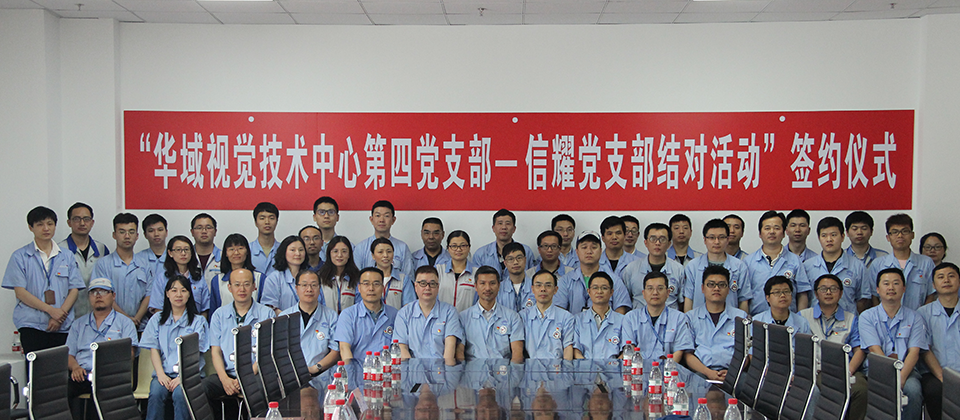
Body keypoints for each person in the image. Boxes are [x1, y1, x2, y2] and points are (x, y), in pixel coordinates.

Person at [3, 206, 84, 352]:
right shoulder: (20, 256)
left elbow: (74, 289)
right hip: (31, 324)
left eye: (50, 224)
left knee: (60, 365)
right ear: (31, 227)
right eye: (40, 224)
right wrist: (50, 311)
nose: (46, 228)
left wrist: (59, 316)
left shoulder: (67, 256)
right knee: (36, 365)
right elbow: (20, 292)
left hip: (62, 325)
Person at [203, 269, 275, 417]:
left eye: (246, 284)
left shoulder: (267, 314)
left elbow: (266, 352)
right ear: (229, 288)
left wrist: (244, 378)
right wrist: (224, 379)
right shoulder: (219, 315)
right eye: (237, 285)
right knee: (201, 389)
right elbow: (215, 351)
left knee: (260, 389)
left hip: (255, 374)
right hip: (227, 373)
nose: (242, 289)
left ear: (254, 287)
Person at [859, 267, 927, 420]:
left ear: (904, 288)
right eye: (886, 283)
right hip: (876, 370)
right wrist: (891, 379)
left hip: (906, 371)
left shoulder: (915, 317)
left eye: (896, 283)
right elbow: (874, 349)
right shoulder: (867, 316)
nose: (891, 287)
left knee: (913, 390)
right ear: (878, 289)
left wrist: (900, 380)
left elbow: (914, 352)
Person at [65, 278, 138, 420]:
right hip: (83, 374)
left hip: (109, 376)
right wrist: (75, 367)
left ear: (113, 296)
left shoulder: (125, 323)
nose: (98, 296)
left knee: (98, 397)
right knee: (59, 392)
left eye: (103, 292)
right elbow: (69, 354)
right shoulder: (78, 324)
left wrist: (107, 369)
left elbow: (129, 354)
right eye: (94, 292)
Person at [799, 274, 867, 420]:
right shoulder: (803, 317)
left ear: (841, 293)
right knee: (828, 387)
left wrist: (849, 371)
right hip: (817, 370)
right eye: (823, 289)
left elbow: (859, 350)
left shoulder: (851, 318)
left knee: (861, 388)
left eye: (833, 289)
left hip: (845, 369)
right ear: (816, 294)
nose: (828, 292)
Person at [140, 276, 208, 420]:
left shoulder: (198, 321)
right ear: (167, 294)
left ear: (189, 294)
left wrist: (182, 376)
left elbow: (196, 354)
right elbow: (154, 350)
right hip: (163, 373)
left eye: (183, 290)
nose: (178, 295)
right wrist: (160, 374)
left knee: (180, 394)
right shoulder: (157, 319)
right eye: (174, 290)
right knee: (156, 393)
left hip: (189, 375)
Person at [684, 265, 749, 381]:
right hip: (702, 372)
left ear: (728, 289)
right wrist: (708, 372)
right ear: (702, 288)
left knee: (747, 383)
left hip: (734, 372)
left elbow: (747, 353)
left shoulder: (741, 317)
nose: (716, 288)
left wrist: (732, 372)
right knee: (696, 383)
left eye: (722, 285)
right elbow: (688, 355)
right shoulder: (690, 317)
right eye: (711, 284)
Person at [279, 270, 340, 388]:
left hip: (320, 375)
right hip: (290, 377)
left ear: (319, 288)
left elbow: (335, 351)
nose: (309, 289)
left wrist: (315, 368)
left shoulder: (331, 316)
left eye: (313, 285)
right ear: (296, 288)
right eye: (304, 285)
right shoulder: (284, 317)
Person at [92, 213, 151, 331]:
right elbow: (102, 296)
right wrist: (126, 319)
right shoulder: (103, 264)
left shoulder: (145, 264)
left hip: (140, 326)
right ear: (114, 235)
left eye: (131, 232)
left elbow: (149, 294)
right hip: (111, 327)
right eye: (122, 232)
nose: (127, 236)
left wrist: (137, 318)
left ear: (137, 236)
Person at [744, 210, 811, 315]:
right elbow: (744, 297)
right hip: (757, 320)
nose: (772, 232)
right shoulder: (748, 262)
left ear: (784, 233)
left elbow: (802, 294)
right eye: (767, 228)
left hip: (789, 321)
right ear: (760, 233)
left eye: (776, 228)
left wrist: (800, 319)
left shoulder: (795, 260)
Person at [396, 266, 464, 365]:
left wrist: (446, 373)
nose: (427, 288)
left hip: (441, 370)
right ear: (415, 286)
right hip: (414, 370)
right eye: (423, 283)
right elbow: (402, 349)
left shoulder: (449, 312)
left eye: (432, 284)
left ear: (438, 287)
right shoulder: (404, 313)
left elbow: (450, 350)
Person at [866, 214, 936, 310]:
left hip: (918, 317)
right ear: (888, 237)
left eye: (905, 231)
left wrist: (922, 316)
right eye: (895, 232)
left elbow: (931, 294)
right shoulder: (878, 264)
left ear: (912, 235)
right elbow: (874, 296)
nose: (900, 235)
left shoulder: (926, 262)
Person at [621, 271, 694, 362]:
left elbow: (678, 352)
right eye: (650, 288)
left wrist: (667, 368)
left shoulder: (679, 318)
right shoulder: (630, 317)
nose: (655, 292)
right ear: (643, 293)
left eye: (660, 288)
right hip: (638, 367)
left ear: (668, 293)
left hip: (669, 368)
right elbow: (629, 349)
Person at [918, 262, 960, 420]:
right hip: (934, 373)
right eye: (941, 277)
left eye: (951, 276)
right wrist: (942, 377)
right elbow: (925, 349)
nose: (946, 280)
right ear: (934, 285)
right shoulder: (923, 313)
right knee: (936, 390)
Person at [803, 217, 870, 314]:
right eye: (824, 235)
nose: (829, 239)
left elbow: (862, 300)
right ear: (819, 238)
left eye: (833, 235)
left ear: (842, 237)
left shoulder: (858, 266)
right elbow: (804, 298)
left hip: (847, 321)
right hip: (815, 320)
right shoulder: (807, 266)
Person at [458, 266, 524, 363]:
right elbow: (459, 353)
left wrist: (513, 372)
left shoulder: (512, 317)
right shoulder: (463, 317)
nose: (488, 288)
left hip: (503, 370)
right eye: (482, 283)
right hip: (474, 370)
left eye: (492, 283)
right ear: (475, 286)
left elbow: (517, 355)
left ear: (499, 286)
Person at [683, 219, 751, 312]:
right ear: (705, 240)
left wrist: (742, 320)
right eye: (712, 237)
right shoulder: (692, 266)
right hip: (698, 319)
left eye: (721, 237)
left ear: (727, 240)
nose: (717, 242)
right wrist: (688, 320)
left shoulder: (739, 266)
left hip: (731, 319)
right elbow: (688, 299)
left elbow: (743, 300)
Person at [555, 231, 631, 315]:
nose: (589, 251)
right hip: (573, 323)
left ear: (601, 251)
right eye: (584, 247)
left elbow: (620, 312)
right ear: (577, 252)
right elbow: (559, 312)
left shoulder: (614, 280)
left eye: (594, 247)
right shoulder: (565, 280)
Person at [334, 267, 399, 362]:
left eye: (376, 284)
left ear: (382, 288)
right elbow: (344, 348)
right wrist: (350, 369)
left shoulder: (394, 314)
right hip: (358, 368)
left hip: (387, 368)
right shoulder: (348, 315)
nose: (371, 288)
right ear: (359, 288)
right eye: (366, 284)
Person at [59, 202, 110, 318]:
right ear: (69, 222)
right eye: (77, 219)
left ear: (92, 222)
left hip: (96, 316)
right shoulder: (59, 250)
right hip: (67, 317)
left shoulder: (102, 249)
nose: (82, 223)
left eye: (86, 219)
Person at [621, 222, 685, 309]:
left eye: (662, 239)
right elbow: (625, 301)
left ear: (669, 244)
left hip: (670, 316)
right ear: (646, 243)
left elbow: (682, 302)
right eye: (653, 239)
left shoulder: (678, 269)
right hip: (639, 316)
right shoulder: (631, 269)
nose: (657, 243)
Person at [148, 236, 210, 316]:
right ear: (170, 253)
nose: (183, 253)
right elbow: (158, 309)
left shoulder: (198, 278)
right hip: (168, 322)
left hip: (195, 322)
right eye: (178, 250)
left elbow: (204, 310)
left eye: (186, 249)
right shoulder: (162, 279)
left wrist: (200, 323)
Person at [520, 270, 575, 360]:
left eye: (548, 285)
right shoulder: (522, 316)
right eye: (538, 285)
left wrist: (566, 368)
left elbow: (568, 348)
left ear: (555, 290)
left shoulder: (566, 317)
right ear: (532, 289)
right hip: (531, 367)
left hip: (557, 367)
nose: (543, 289)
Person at [353, 200, 415, 279]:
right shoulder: (361, 247)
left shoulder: (402, 247)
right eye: (378, 215)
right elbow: (356, 278)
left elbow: (409, 278)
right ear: (371, 219)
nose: (381, 220)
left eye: (386, 216)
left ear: (393, 220)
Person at [572, 272, 625, 359]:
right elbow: (576, 350)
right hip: (585, 366)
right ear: (589, 292)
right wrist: (586, 365)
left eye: (604, 288)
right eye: (595, 288)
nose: (599, 292)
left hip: (613, 366)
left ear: (611, 292)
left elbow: (626, 350)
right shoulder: (578, 319)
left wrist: (615, 365)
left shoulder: (622, 320)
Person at [208, 234, 262, 313]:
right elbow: (214, 311)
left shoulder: (259, 278)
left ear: (247, 251)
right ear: (226, 253)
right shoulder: (217, 281)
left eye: (240, 248)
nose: (236, 252)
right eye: (231, 249)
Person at [472, 209, 537, 271]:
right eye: (500, 223)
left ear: (514, 229)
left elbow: (531, 275)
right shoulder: (480, 254)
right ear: (493, 228)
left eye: (508, 223)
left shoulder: (526, 251)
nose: (504, 227)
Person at [261, 235, 307, 314]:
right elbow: (269, 307)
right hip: (282, 320)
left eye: (301, 250)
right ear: (284, 252)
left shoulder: (310, 276)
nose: (298, 253)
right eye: (292, 250)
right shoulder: (274, 278)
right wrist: (287, 318)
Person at [436, 230, 479, 312]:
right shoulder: (438, 269)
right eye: (454, 246)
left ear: (469, 248)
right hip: (442, 318)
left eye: (463, 245)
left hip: (468, 318)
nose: (458, 249)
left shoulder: (477, 272)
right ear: (448, 248)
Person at [317, 236, 360, 314]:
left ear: (349, 254)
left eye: (344, 251)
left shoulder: (357, 278)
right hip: (326, 320)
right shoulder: (320, 277)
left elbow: (359, 305)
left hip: (350, 320)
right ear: (329, 254)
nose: (339, 255)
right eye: (335, 251)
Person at [371, 237, 415, 310]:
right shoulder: (366, 277)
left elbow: (409, 307)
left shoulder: (403, 278)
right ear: (373, 256)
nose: (385, 255)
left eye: (389, 252)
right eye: (380, 252)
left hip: (397, 317)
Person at [501, 242, 536, 312]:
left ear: (525, 260)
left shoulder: (536, 286)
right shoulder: (499, 289)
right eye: (510, 259)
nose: (515, 262)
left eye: (519, 258)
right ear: (505, 263)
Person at [190, 213, 222, 289]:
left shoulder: (224, 257)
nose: (204, 231)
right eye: (199, 228)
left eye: (208, 227)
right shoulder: (185, 257)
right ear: (192, 232)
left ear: (215, 231)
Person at [137, 214, 169, 286]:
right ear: (145, 235)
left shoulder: (175, 257)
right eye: (151, 231)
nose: (156, 234)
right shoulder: (138, 259)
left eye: (160, 230)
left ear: (166, 232)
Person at [248, 202, 279, 278]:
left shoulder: (284, 250)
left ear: (277, 221)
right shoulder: (247, 249)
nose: (267, 222)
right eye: (262, 218)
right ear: (255, 222)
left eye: (271, 218)